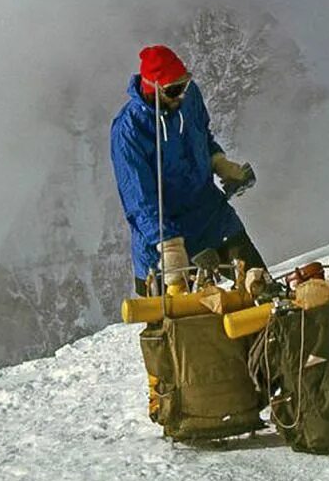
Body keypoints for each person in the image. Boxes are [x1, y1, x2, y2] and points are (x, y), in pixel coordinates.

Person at [111, 45, 265, 296]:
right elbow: (139, 199)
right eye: (174, 90)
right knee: (175, 324)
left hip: (211, 218)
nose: (182, 94)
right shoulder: (129, 131)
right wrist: (168, 244)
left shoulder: (189, 96)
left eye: (184, 85)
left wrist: (219, 162)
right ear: (153, 89)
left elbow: (202, 135)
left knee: (258, 286)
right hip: (161, 239)